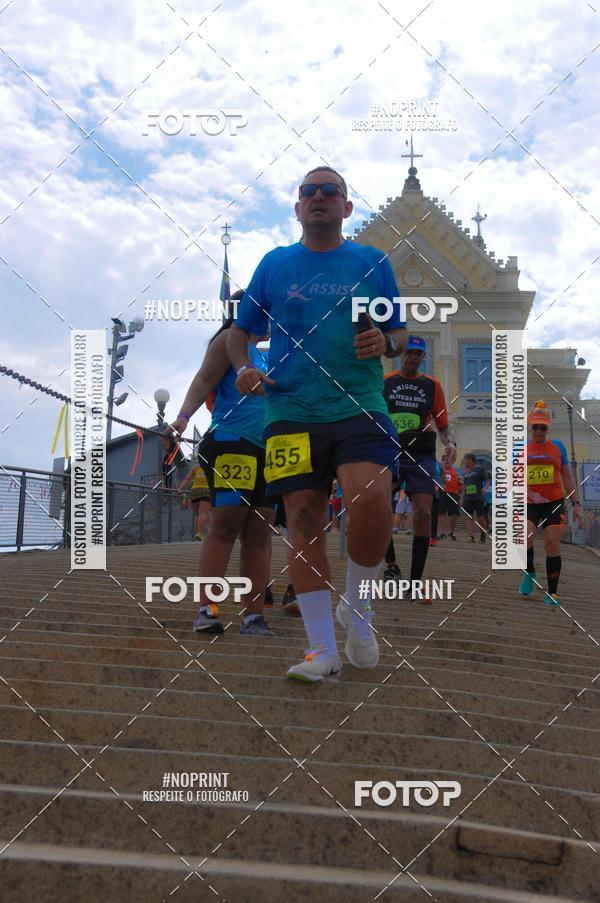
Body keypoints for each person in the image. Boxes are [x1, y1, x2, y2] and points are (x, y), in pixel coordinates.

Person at [228, 165, 407, 682]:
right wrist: (245, 367)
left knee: (371, 503)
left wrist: (386, 343)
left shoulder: (372, 262)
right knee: (304, 522)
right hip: (289, 411)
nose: (319, 197)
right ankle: (321, 652)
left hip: (360, 404)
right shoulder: (275, 264)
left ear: (346, 207)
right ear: (298, 206)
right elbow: (239, 333)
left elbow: (398, 332)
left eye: (331, 191)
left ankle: (356, 604)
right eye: (309, 191)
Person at [167, 290, 276, 637]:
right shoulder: (230, 338)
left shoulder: (267, 354)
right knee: (227, 525)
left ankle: (253, 616)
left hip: (267, 450)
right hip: (232, 442)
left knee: (259, 532)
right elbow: (204, 379)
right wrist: (183, 418)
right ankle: (207, 610)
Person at [381, 336, 456, 602]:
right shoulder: (386, 381)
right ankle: (391, 566)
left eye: (418, 354)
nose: (413, 357)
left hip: (421, 454)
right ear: (402, 355)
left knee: (423, 511)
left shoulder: (431, 385)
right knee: (378, 507)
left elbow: (442, 424)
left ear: (424, 358)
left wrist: (450, 444)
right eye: (409, 353)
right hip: (389, 451)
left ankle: (414, 583)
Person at [519, 400, 583, 606]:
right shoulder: (522, 449)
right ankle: (530, 572)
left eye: (542, 427)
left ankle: (552, 592)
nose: (538, 431)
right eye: (535, 427)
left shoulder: (558, 447)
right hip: (529, 501)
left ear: (548, 428)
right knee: (524, 537)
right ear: (530, 427)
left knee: (551, 542)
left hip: (554, 501)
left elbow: (567, 476)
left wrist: (576, 502)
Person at [178, 460, 211, 539]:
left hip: (195, 491)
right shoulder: (212, 466)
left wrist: (180, 488)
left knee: (197, 514)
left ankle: (197, 534)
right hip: (206, 490)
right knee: (203, 513)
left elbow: (187, 478)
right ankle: (200, 534)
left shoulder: (195, 467)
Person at [462, 453, 488, 543]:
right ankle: (471, 537)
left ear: (470, 459)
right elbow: (464, 486)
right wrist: (462, 497)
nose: (464, 462)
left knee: (480, 517)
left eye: (465, 459)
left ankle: (483, 533)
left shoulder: (480, 469)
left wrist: (485, 488)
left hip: (478, 497)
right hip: (467, 498)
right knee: (469, 517)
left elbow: (487, 480)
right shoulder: (466, 472)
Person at [438, 462, 463, 539]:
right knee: (441, 512)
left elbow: (461, 481)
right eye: (445, 460)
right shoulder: (440, 469)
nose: (446, 461)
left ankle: (451, 532)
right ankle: (442, 532)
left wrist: (460, 492)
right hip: (442, 493)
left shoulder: (456, 470)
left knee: (454, 513)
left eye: (448, 460)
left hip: (453, 494)